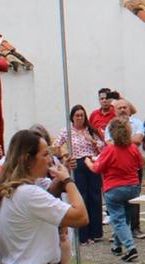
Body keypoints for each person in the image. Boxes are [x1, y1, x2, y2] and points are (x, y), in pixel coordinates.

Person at [0, 129, 88, 264]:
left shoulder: (6, 189)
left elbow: (44, 199)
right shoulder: (28, 193)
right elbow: (81, 217)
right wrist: (67, 180)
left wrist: (59, 180)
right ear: (28, 159)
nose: (50, 160)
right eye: (45, 154)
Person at [88, 118, 143, 261]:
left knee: (118, 219)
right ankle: (117, 246)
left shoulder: (109, 150)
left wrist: (88, 162)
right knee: (125, 217)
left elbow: (97, 168)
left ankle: (131, 248)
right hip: (132, 187)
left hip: (114, 188)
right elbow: (139, 165)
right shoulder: (133, 148)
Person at [54, 104, 105, 244]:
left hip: (92, 161)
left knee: (95, 196)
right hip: (78, 163)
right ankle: (83, 234)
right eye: (77, 115)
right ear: (72, 117)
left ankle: (96, 232)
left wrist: (92, 141)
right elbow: (56, 146)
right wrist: (64, 156)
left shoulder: (91, 130)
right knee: (82, 196)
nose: (79, 118)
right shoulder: (67, 131)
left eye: (82, 115)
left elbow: (102, 145)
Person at [106, 98, 145, 239]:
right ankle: (118, 231)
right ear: (115, 111)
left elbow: (139, 140)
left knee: (134, 199)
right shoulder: (110, 125)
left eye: (125, 107)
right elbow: (109, 143)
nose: (123, 110)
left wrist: (120, 140)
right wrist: (128, 142)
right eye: (120, 108)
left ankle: (135, 228)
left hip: (134, 167)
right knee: (117, 202)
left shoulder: (138, 123)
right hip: (116, 168)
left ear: (129, 109)